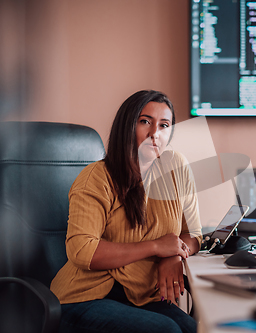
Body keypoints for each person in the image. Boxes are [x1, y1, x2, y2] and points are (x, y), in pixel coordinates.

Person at [50, 90, 202, 333]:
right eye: (145, 122)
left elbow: (193, 234)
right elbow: (81, 250)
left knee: (193, 328)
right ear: (126, 126)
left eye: (164, 125)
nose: (155, 134)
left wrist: (172, 255)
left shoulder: (176, 168)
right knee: (166, 331)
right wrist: (155, 247)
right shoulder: (96, 178)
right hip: (85, 297)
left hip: (141, 296)